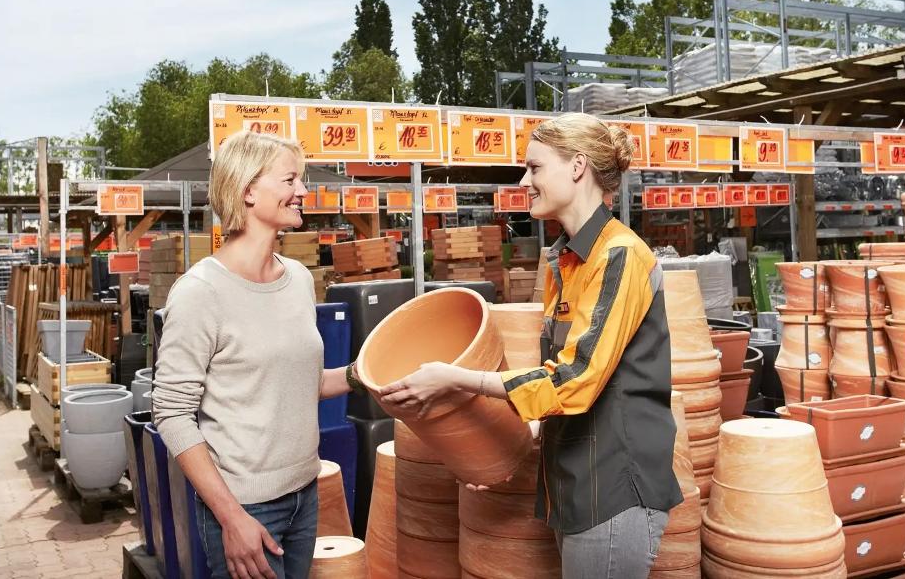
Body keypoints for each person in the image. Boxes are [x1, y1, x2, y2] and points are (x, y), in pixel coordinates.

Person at [379, 113, 682, 578]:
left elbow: (574, 380)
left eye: (534, 167)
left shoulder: (618, 256)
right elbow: (557, 371)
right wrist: (500, 446)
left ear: (577, 166)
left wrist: (455, 379)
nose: (525, 181)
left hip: (614, 488)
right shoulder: (565, 260)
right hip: (576, 484)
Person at [152, 131, 366, 579]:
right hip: (244, 507)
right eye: (291, 180)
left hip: (306, 494)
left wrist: (363, 372)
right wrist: (231, 517)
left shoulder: (300, 280)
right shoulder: (200, 293)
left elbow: (298, 385)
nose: (304, 192)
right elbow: (171, 413)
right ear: (249, 190)